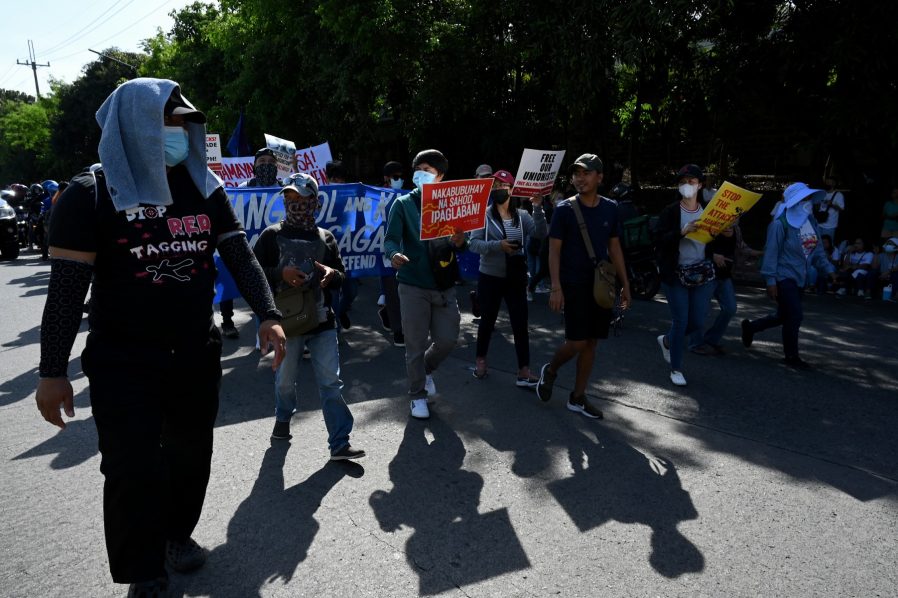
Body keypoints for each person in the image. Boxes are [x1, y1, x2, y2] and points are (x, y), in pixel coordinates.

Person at [35, 78, 286, 597]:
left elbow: (238, 253)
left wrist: (267, 312)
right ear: (135, 126)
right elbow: (65, 293)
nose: (181, 133)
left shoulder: (203, 185)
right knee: (132, 468)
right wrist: (52, 371)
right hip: (123, 361)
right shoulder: (90, 195)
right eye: (169, 123)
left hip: (194, 352)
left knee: (192, 456)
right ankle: (142, 568)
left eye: (186, 124)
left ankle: (175, 535)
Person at [253, 172, 365, 459]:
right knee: (285, 379)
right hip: (286, 323)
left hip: (323, 320)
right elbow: (251, 276)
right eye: (289, 198)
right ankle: (283, 416)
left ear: (314, 201)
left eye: (301, 198)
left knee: (330, 381)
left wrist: (332, 275)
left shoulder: (325, 238)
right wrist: (281, 273)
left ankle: (339, 442)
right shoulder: (270, 235)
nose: (295, 204)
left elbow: (342, 275)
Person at [535, 154, 631, 419]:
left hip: (601, 285)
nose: (580, 178)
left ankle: (577, 397)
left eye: (586, 173)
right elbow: (553, 251)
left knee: (591, 343)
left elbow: (615, 247)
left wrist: (626, 284)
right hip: (572, 283)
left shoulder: (611, 208)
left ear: (599, 177)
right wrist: (555, 287)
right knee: (576, 342)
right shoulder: (564, 209)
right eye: (576, 173)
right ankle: (551, 370)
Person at [384, 149, 467, 419]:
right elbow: (391, 238)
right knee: (415, 344)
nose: (422, 174)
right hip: (412, 284)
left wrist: (459, 241)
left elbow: (461, 243)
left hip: (443, 284)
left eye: (429, 170)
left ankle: (425, 370)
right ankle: (417, 395)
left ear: (440, 175)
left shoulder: (453, 205)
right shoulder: (404, 204)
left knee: (448, 339)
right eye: (419, 169)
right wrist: (393, 254)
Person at [741, 182, 836, 369]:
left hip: (801, 277)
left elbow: (816, 251)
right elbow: (771, 254)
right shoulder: (779, 224)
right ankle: (791, 357)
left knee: (783, 316)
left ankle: (751, 328)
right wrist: (770, 281)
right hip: (783, 277)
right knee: (795, 315)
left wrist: (829, 270)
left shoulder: (810, 221)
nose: (809, 202)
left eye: (810, 198)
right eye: (805, 198)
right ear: (795, 201)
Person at [467, 168, 547, 385]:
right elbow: (473, 244)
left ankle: (524, 370)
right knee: (487, 321)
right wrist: (498, 246)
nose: (500, 190)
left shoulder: (522, 216)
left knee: (520, 323)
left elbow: (540, 233)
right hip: (490, 276)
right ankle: (481, 361)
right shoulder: (483, 215)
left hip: (516, 276)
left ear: (512, 189)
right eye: (496, 187)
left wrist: (538, 207)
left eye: (504, 186)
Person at [654, 164, 717, 386]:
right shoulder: (671, 212)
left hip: (702, 274)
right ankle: (676, 369)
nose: (687, 186)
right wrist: (681, 232)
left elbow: (716, 241)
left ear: (700, 185)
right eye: (682, 182)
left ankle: (669, 341)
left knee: (697, 321)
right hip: (676, 275)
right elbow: (659, 240)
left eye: (691, 182)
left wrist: (726, 233)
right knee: (680, 321)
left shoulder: (710, 211)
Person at [219, 148, 282, 338]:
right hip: (247, 242)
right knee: (229, 275)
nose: (266, 165)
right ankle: (227, 320)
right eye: (261, 162)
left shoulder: (283, 188)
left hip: (272, 245)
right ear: (254, 167)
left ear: (277, 167)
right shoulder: (243, 188)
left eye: (270, 162)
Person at [688, 224, 737, 355]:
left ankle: (711, 340)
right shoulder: (708, 220)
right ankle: (696, 343)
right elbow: (696, 243)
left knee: (730, 308)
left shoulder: (733, 227)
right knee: (700, 311)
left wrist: (730, 236)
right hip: (707, 273)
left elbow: (733, 247)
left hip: (723, 274)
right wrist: (713, 254)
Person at [325, 160, 358, 330]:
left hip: (349, 252)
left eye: (341, 179)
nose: (339, 183)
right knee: (333, 293)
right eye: (335, 179)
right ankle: (334, 328)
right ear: (328, 178)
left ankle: (340, 313)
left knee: (351, 291)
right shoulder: (321, 196)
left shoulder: (351, 195)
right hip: (330, 254)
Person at [379, 160, 406, 346]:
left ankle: (388, 313)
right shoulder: (374, 196)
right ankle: (399, 331)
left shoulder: (407, 196)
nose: (399, 180)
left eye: (401, 176)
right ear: (386, 178)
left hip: (403, 249)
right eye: (395, 177)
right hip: (383, 251)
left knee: (403, 291)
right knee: (392, 291)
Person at [816, 176, 845, 243]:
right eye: (826, 182)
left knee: (827, 245)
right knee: (817, 243)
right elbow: (818, 207)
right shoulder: (822, 193)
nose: (827, 184)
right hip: (819, 223)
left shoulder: (838, 195)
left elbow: (841, 209)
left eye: (829, 182)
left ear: (834, 184)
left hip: (830, 226)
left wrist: (832, 204)